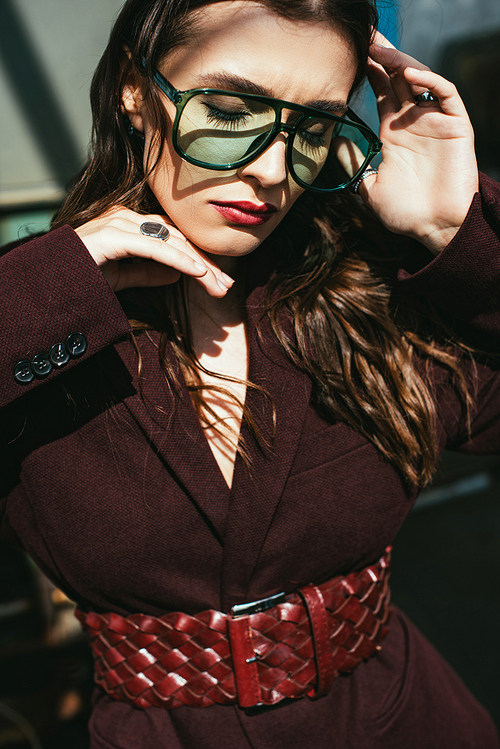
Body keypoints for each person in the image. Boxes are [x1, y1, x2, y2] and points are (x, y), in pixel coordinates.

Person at [1, 0, 499, 747]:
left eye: (313, 128)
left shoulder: (367, 295)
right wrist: (60, 282)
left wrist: (454, 229)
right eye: (230, 111)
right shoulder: (39, 313)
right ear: (136, 91)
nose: (270, 170)